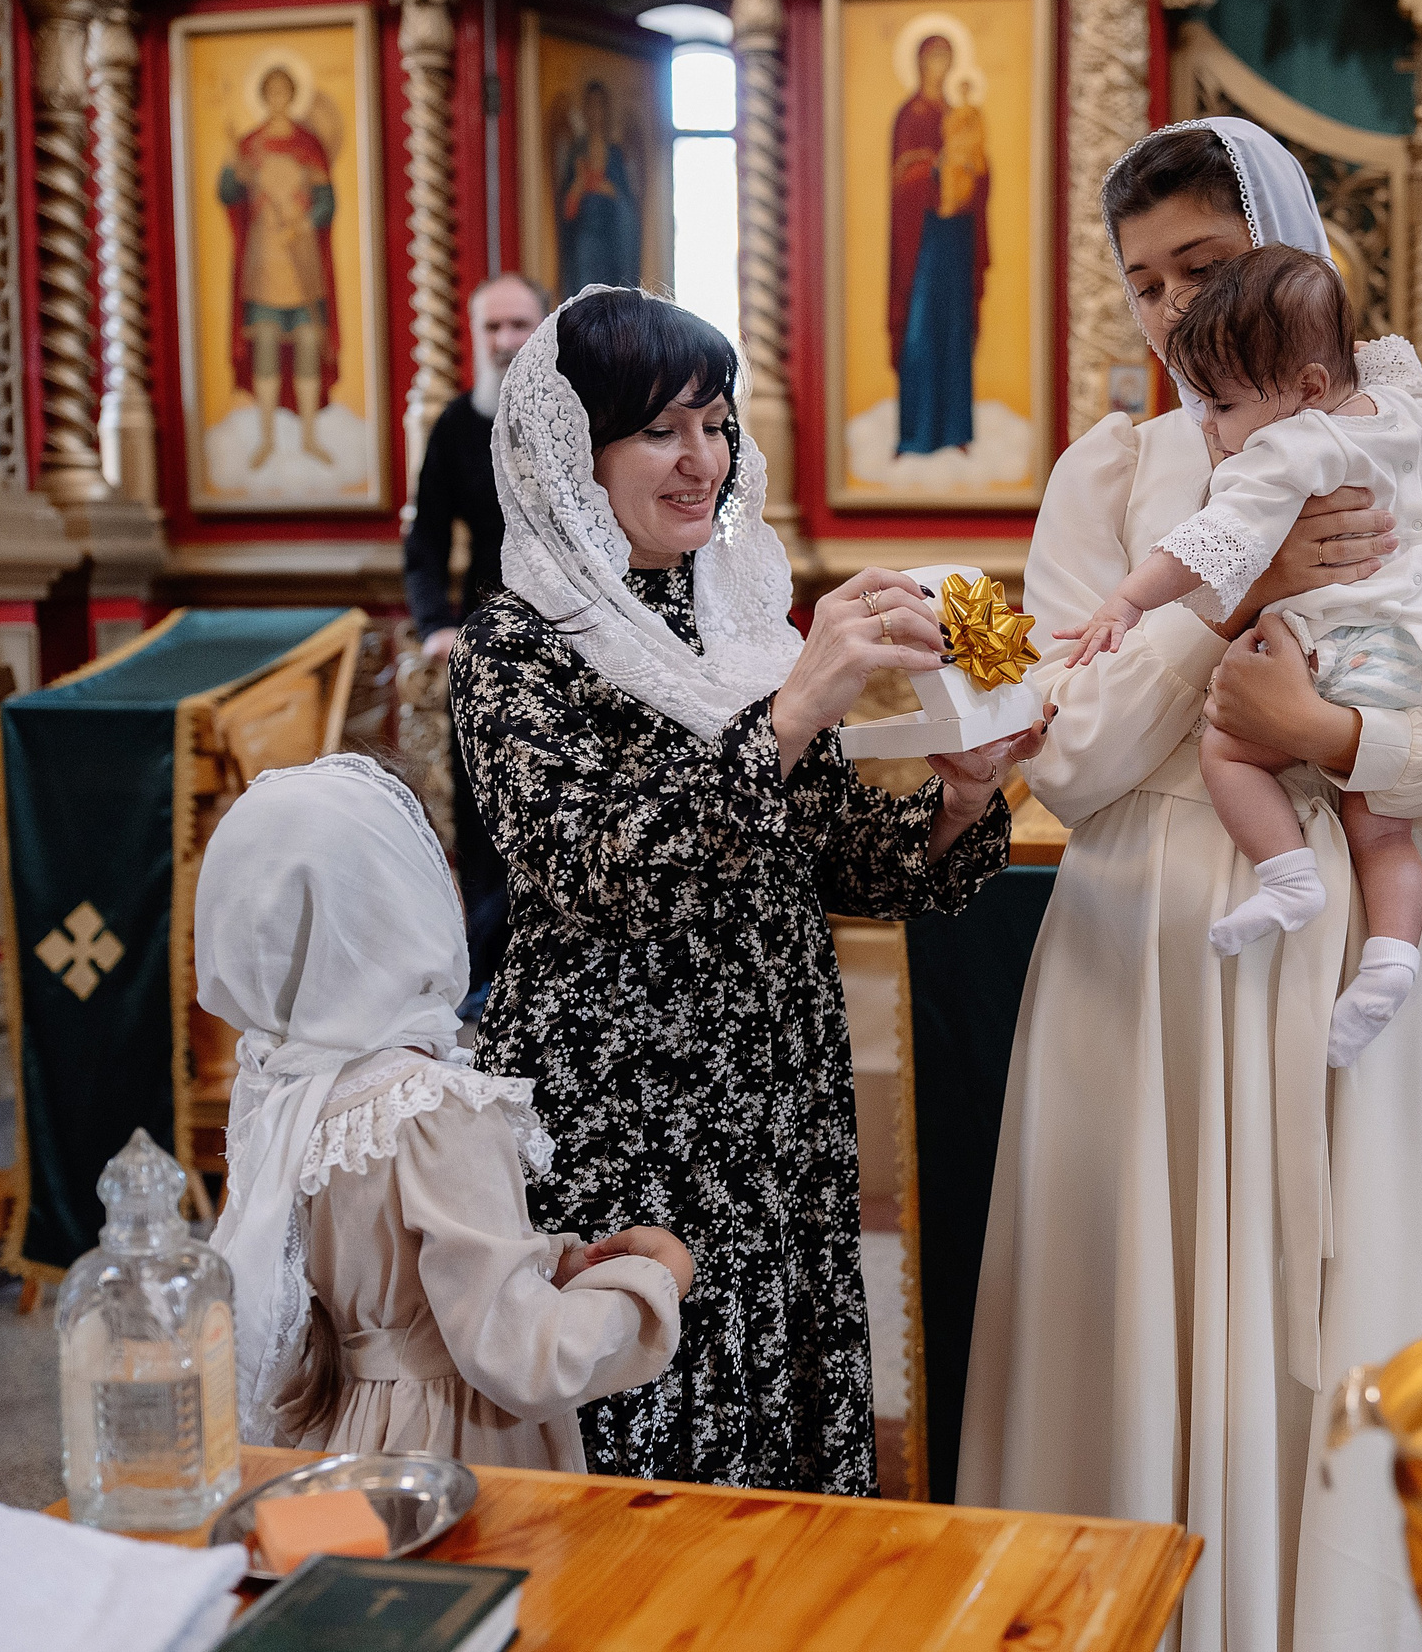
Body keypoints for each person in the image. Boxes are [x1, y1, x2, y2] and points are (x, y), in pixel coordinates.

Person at [956, 120, 1422, 1652]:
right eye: (1143, 283)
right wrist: (1251, 582)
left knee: (1343, 1307)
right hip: (1149, 938)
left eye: (1207, 269)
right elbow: (1075, 756)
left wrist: (1340, 731)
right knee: (1148, 1323)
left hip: (1360, 931)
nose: (1172, 314)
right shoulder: (1106, 475)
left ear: (1292, 260)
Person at [450, 286, 1046, 1493]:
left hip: (774, 1093)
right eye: (662, 430)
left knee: (776, 1399)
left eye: (717, 425)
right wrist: (789, 714)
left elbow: (840, 861)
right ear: (575, 445)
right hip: (626, 1097)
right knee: (649, 1412)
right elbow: (586, 866)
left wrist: (967, 798)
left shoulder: (745, 626)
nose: (701, 460)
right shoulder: (516, 643)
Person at [1055, 245, 1422, 1067]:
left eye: (1204, 272)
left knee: (1231, 745)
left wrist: (1129, 599)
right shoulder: (1414, 420)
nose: (1208, 424)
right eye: (1145, 287)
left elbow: (1211, 544)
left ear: (1301, 386)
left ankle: (1288, 876)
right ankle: (1394, 961)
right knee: (1386, 832)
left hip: (1338, 656)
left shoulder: (1292, 446)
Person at [198, 753, 691, 1469]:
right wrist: (653, 1284)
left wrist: (550, 1263)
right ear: (405, 904)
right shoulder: (434, 1111)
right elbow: (521, 1355)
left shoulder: (287, 1095)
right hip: (452, 1445)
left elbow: (399, 1287)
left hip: (343, 1433)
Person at [405, 272, 550, 1014]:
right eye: (492, 327)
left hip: (571, 645)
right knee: (485, 814)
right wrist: (435, 625)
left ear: (543, 326)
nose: (505, 341)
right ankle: (490, 974)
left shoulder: (579, 420)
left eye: (519, 324)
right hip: (484, 652)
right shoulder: (458, 425)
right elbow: (426, 539)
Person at [218, 65, 339, 470]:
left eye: (283, 91)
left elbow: (327, 201)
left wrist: (305, 222)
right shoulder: (249, 144)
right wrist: (233, 172)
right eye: (269, 92)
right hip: (262, 260)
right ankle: (266, 438)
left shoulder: (308, 145)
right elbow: (228, 192)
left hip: (301, 256)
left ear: (291, 95)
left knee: (307, 341)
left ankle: (309, 437)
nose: (277, 99)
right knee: (265, 343)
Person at [889, 34, 989, 456]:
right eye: (933, 58)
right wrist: (935, 167)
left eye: (946, 58)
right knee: (921, 330)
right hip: (923, 239)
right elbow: (901, 178)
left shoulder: (962, 114)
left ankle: (955, 431)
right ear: (919, 63)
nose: (939, 66)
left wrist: (970, 172)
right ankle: (916, 432)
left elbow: (983, 173)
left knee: (955, 329)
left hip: (957, 237)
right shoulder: (910, 115)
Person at [556, 80, 644, 295]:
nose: (596, 113)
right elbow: (564, 211)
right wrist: (579, 185)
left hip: (614, 243)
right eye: (591, 106)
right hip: (585, 244)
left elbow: (628, 206)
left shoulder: (615, 154)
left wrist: (608, 190)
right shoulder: (577, 153)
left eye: (600, 106)